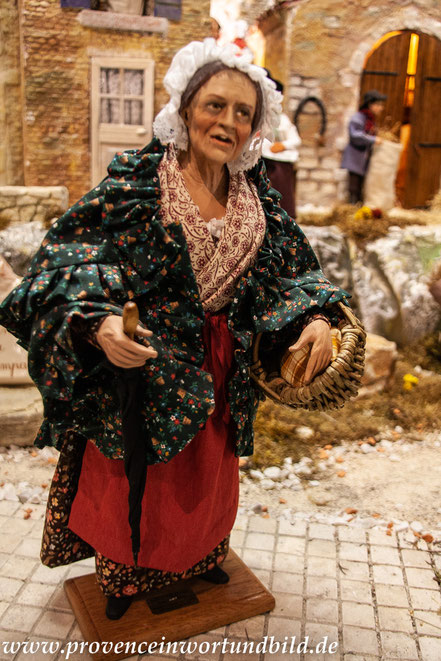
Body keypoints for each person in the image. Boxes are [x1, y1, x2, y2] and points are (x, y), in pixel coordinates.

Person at [0, 39, 349, 621]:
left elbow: (291, 276)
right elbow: (65, 263)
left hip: (221, 372)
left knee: (207, 481)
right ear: (186, 108)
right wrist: (100, 323)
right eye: (215, 105)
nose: (228, 122)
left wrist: (315, 318)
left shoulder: (258, 199)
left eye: (243, 113)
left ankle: (201, 558)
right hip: (144, 371)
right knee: (134, 483)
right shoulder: (140, 185)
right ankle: (122, 578)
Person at [262, 73, 301, 218]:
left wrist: (282, 145)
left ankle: (284, 216)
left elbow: (295, 139)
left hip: (282, 161)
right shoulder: (261, 118)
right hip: (265, 159)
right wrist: (266, 149)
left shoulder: (283, 119)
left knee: (283, 189)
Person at [341, 89, 386, 204]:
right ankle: (351, 209)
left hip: (362, 159)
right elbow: (355, 135)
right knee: (354, 188)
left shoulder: (369, 120)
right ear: (370, 105)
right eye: (378, 105)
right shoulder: (358, 118)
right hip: (355, 158)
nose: (381, 108)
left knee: (360, 188)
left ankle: (357, 209)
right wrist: (373, 139)